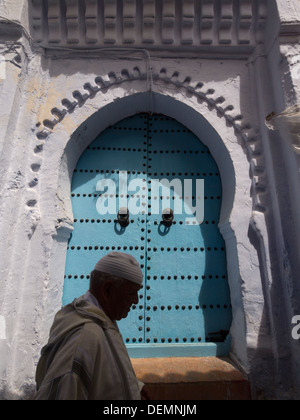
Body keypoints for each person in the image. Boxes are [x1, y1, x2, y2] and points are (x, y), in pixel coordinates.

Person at [33, 252, 151, 400]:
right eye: (132, 293)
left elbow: (102, 376)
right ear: (107, 290)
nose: (136, 301)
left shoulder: (101, 318)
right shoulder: (84, 337)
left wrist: (134, 387)